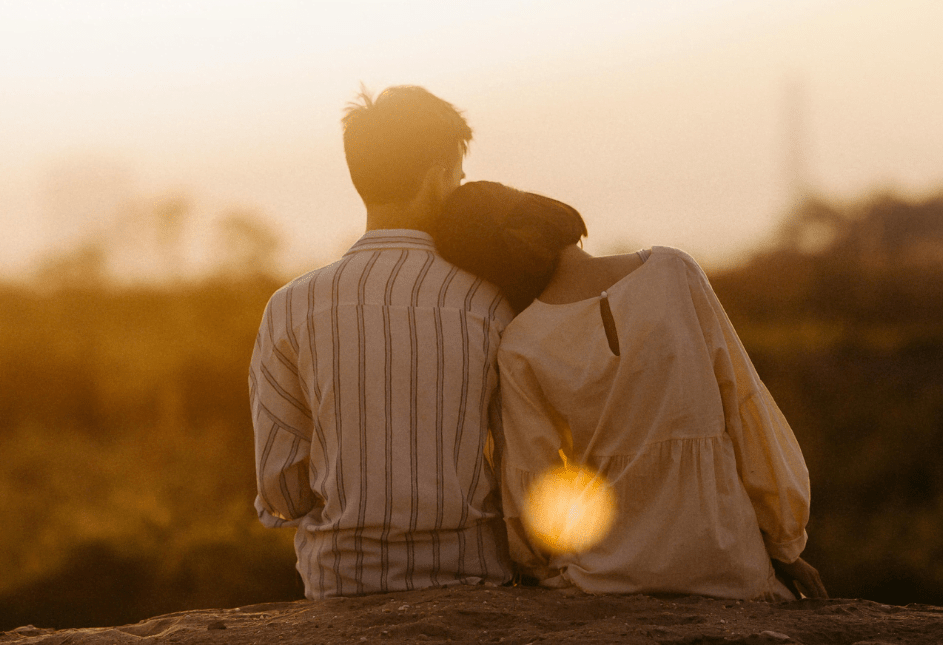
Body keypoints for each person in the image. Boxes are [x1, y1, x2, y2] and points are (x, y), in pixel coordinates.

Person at [432, 181, 827, 601]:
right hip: (727, 563)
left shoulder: (520, 344)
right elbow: (745, 407)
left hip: (604, 577)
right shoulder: (674, 271)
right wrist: (785, 543)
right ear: (545, 211)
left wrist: (537, 565)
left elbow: (535, 485)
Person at [248, 87, 514, 599]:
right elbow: (521, 461)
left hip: (343, 583)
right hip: (473, 580)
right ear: (440, 175)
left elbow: (280, 487)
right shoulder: (490, 302)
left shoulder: (291, 305)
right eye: (458, 176)